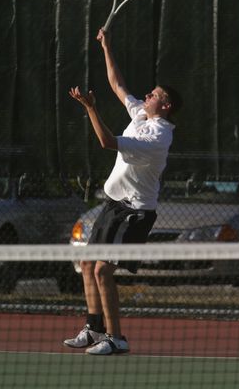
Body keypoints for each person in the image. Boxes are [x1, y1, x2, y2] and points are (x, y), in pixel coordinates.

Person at [63, 28, 182, 355]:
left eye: (155, 94)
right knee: (88, 263)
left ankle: (117, 339)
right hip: (115, 204)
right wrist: (107, 46)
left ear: (166, 105)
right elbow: (118, 85)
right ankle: (93, 328)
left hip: (136, 211)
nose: (148, 95)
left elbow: (106, 142)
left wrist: (90, 108)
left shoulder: (158, 137)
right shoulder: (142, 114)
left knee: (103, 270)